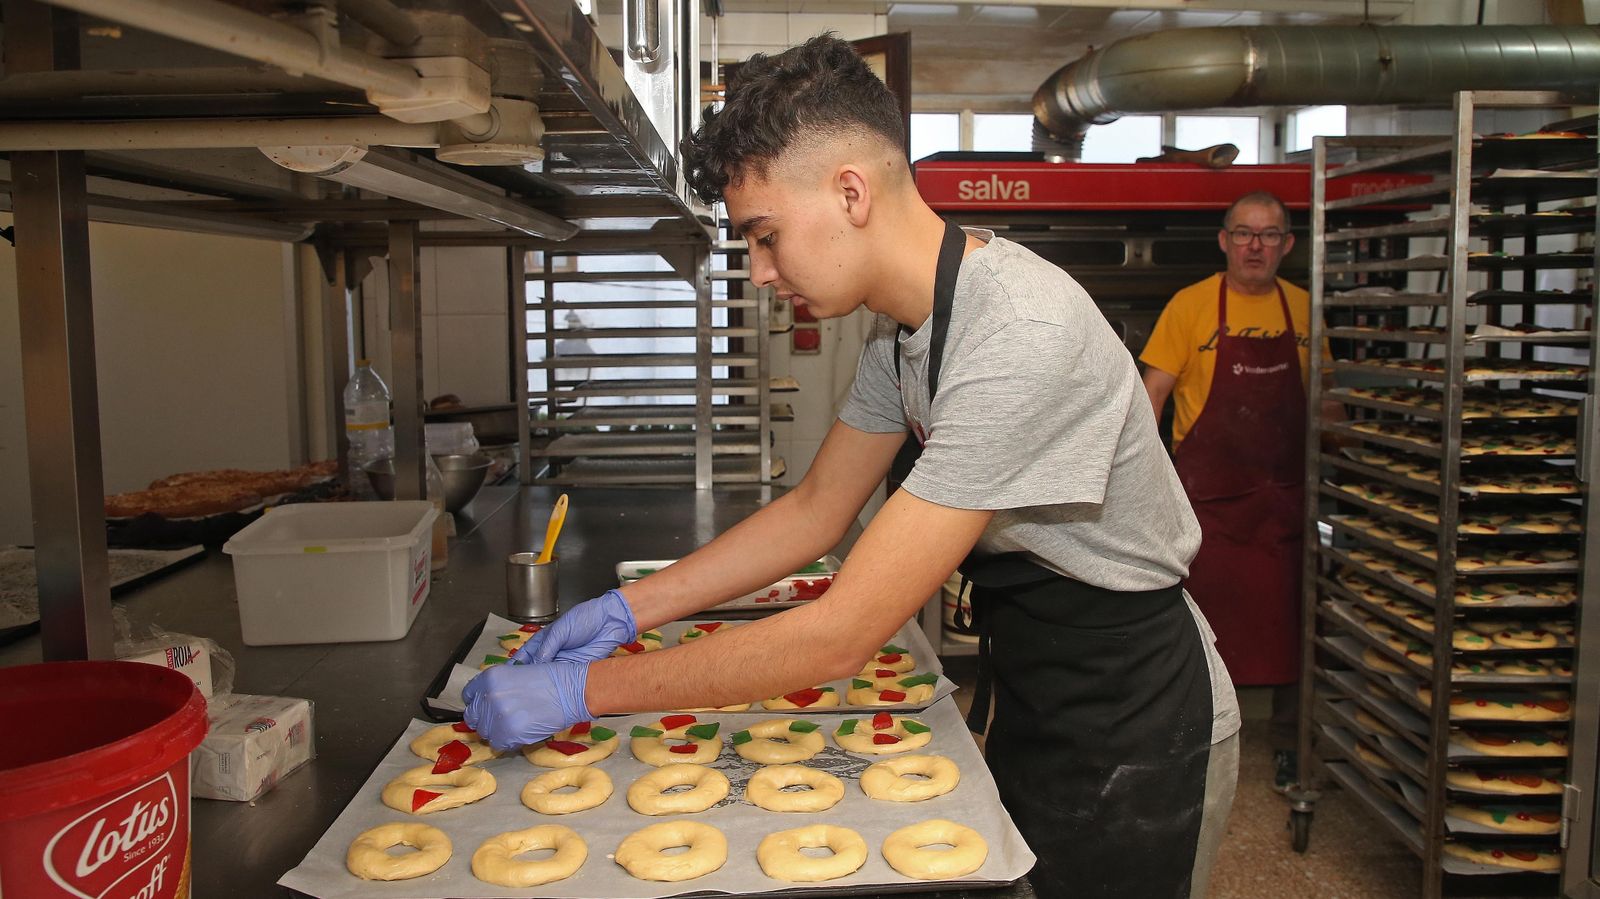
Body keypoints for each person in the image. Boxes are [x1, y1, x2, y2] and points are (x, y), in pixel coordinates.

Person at [464, 34, 1239, 899]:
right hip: (1043, 687)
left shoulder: (1020, 333)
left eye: (765, 236)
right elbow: (816, 509)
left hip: (1136, 715)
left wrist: (586, 690)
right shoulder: (905, 328)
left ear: (850, 191)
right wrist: (626, 607)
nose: (758, 272)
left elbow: (841, 633)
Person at [1139, 191, 1342, 792]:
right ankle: (1193, 740)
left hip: (1283, 506)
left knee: (1293, 630)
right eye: (1245, 233)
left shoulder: (1307, 310)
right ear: (1224, 241)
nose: (1256, 245)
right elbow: (1152, 395)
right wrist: (1137, 481)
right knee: (1195, 631)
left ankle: (1288, 747)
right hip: (1209, 509)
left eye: (1270, 234)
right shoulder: (1191, 306)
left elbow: (1327, 401)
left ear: (1288, 245)